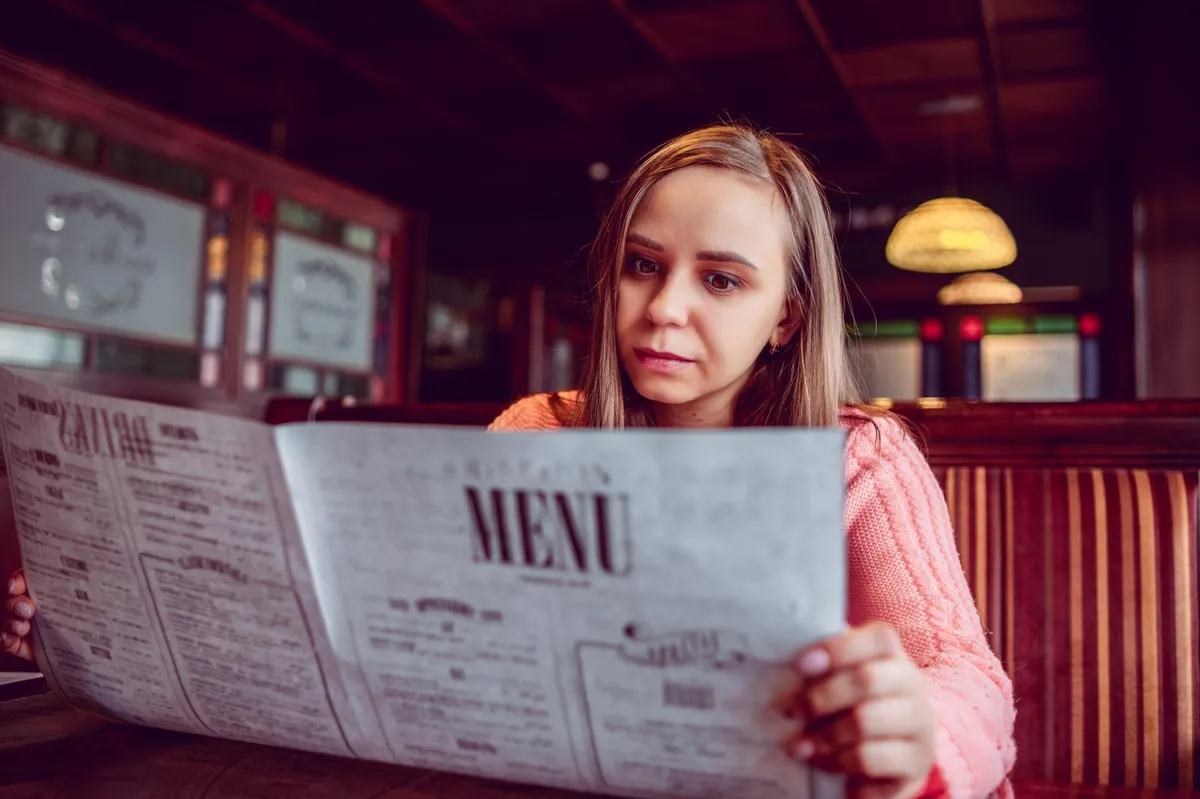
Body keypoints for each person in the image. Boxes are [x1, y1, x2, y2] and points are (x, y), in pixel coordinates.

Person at [5, 123, 1015, 797]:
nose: (664, 309)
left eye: (720, 280)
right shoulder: (540, 429)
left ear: (785, 316)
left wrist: (912, 732)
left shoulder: (858, 456)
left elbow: (969, 678)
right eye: (643, 266)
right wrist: (91, 625)